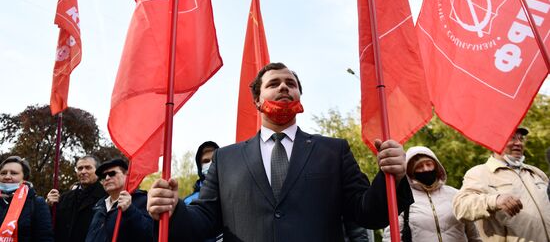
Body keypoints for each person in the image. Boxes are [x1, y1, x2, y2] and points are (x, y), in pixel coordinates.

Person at [147, 62, 413, 242]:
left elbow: (368, 213)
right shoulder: (225, 159)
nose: (284, 87)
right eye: (273, 84)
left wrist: (392, 176)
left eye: (290, 83)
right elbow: (204, 221)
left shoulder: (333, 151)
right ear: (257, 101)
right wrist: (174, 208)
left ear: (299, 96)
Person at [453, 127, 550, 242]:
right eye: (512, 138)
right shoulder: (479, 173)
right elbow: (461, 208)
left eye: (521, 139)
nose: (518, 143)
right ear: (495, 142)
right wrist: (495, 201)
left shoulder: (536, 172)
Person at [382, 146, 480, 242]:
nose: (425, 169)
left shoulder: (455, 194)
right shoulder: (402, 198)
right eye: (419, 167)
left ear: (436, 166)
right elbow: (391, 238)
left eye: (429, 164)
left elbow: (474, 235)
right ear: (410, 172)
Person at [85, 158, 153, 242]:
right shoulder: (98, 206)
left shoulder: (142, 199)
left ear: (126, 175)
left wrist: (130, 210)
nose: (107, 178)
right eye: (103, 176)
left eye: (112, 173)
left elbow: (149, 234)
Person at [46, 155, 106, 242]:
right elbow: (51, 223)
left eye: (88, 168)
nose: (83, 171)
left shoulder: (106, 197)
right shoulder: (64, 198)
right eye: (80, 168)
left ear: (97, 171)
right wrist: (49, 206)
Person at [0, 155, 53, 242]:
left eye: (13, 173)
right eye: (3, 173)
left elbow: (45, 238)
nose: (7, 177)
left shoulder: (36, 203)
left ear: (24, 178)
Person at [183, 141, 219, 205]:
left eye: (214, 160)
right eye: (206, 161)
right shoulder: (188, 202)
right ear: (200, 167)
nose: (210, 164)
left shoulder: (230, 195)